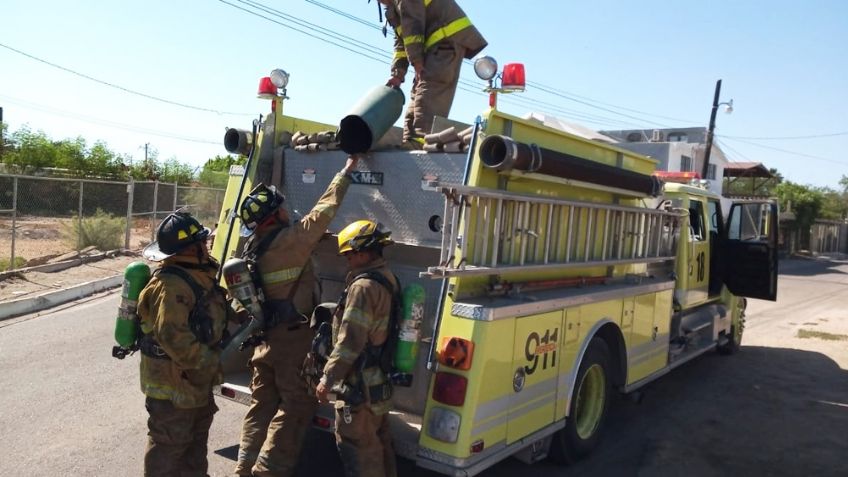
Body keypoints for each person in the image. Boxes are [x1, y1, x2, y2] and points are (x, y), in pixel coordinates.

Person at [235, 155, 360, 477]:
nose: (286, 210)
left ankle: (244, 468)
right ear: (274, 214)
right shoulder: (291, 241)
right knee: (295, 406)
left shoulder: (252, 248)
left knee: (261, 405)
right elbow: (324, 211)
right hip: (292, 342)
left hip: (265, 341)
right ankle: (268, 471)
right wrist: (346, 172)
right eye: (282, 207)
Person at [137, 210, 234, 476]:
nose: (207, 244)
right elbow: (173, 335)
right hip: (173, 386)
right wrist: (208, 363)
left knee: (194, 445)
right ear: (191, 248)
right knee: (168, 448)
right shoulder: (171, 286)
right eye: (203, 241)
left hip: (192, 383)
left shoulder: (198, 276)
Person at [316, 220, 400, 477]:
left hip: (358, 385)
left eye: (349, 255)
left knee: (358, 449)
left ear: (363, 253)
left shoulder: (363, 288)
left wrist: (327, 379)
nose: (347, 261)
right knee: (379, 443)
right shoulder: (387, 277)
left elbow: (351, 340)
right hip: (377, 379)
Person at [377, 0, 487, 149]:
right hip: (434, 46)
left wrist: (416, 61)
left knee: (429, 92)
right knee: (417, 97)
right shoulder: (393, 9)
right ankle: (411, 142)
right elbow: (402, 42)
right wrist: (397, 74)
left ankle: (422, 142)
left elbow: (413, 27)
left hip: (447, 39)